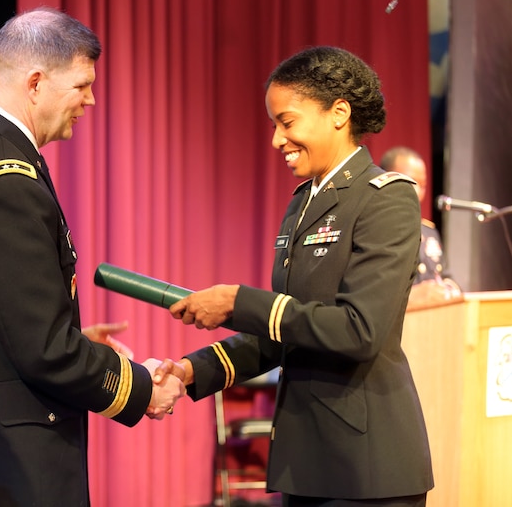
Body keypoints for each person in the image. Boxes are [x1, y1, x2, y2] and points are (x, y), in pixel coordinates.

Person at [0, 7, 185, 506]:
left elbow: (1, 321)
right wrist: (141, 387)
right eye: (82, 85)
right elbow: (42, 349)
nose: (91, 99)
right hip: (8, 467)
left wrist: (73, 338)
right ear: (36, 82)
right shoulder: (5, 176)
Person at [168, 47, 433, 506]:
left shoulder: (386, 200)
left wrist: (237, 302)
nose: (276, 140)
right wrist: (191, 372)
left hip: (367, 470)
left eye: (286, 122)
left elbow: (359, 331)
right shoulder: (301, 203)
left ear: (339, 114)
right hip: (307, 463)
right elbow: (284, 332)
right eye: (274, 125)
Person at [380, 146, 462, 310]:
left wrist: (449, 291)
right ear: (386, 179)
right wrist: (413, 297)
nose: (418, 192)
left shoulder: (429, 232)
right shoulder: (374, 230)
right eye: (412, 182)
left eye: (423, 185)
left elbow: (445, 276)